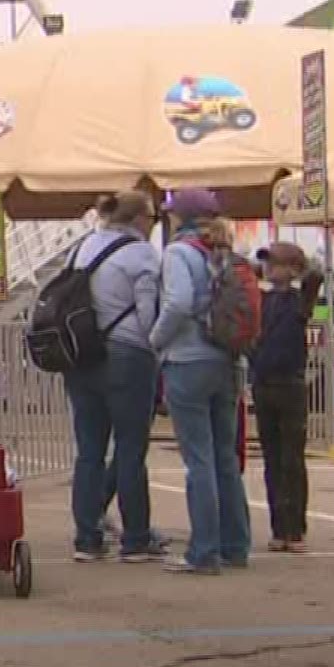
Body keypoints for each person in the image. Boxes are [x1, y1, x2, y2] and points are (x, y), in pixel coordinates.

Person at [149, 189, 252, 575]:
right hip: (226, 359)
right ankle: (236, 545)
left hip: (187, 359)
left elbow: (177, 302)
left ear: (181, 217)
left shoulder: (179, 253)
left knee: (199, 460)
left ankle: (204, 551)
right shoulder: (222, 251)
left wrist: (155, 342)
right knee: (225, 456)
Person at [63, 192, 168, 564]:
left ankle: (86, 538)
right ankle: (136, 538)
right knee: (129, 449)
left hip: (81, 356)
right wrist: (161, 351)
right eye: (153, 218)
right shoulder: (141, 255)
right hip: (127, 357)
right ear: (140, 218)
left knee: (89, 452)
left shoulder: (84, 246)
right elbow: (147, 317)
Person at [251, 242, 323, 553]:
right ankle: (278, 526)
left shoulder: (299, 301)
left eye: (277, 263)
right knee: (272, 458)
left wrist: (301, 268)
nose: (270, 269)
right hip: (263, 382)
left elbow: (315, 276)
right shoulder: (262, 299)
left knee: (292, 458)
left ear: (292, 268)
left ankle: (296, 528)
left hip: (290, 383)